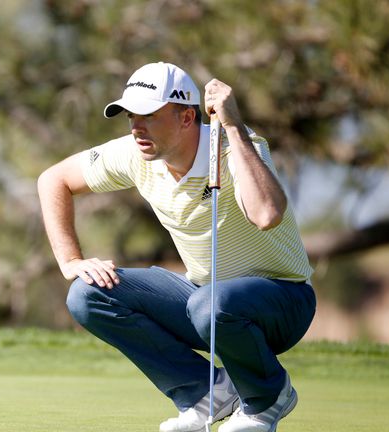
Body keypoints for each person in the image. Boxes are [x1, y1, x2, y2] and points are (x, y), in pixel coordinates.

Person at [37, 62, 316, 432]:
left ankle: (268, 397)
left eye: (149, 115)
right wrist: (70, 260)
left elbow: (267, 213)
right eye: (131, 116)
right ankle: (206, 393)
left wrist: (233, 126)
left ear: (187, 117)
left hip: (282, 301)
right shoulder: (137, 154)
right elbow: (53, 179)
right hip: (204, 298)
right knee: (87, 295)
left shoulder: (234, 146)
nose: (137, 127)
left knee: (210, 305)